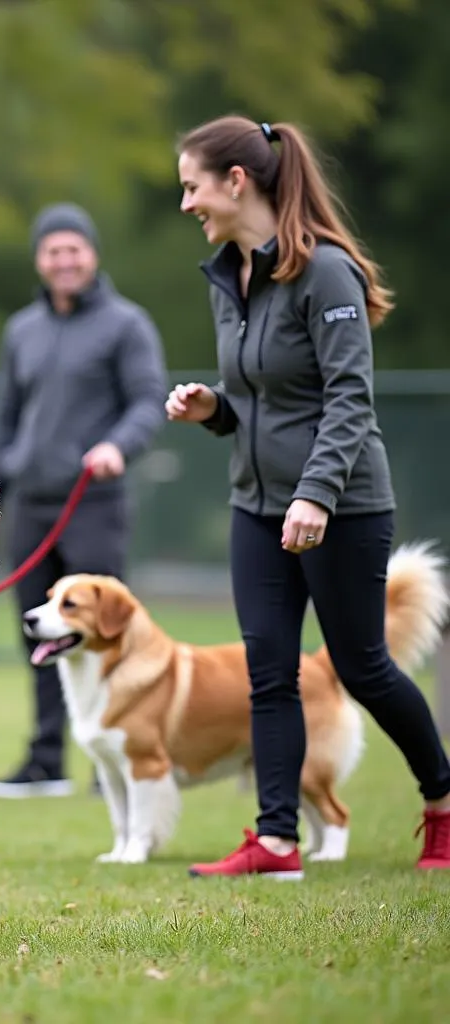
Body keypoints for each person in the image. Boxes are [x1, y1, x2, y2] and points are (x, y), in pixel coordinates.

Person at [168, 115, 450, 876]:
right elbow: (262, 400)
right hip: (256, 506)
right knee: (270, 672)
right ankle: (277, 841)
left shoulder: (326, 272)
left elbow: (349, 399)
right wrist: (214, 411)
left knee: (361, 668)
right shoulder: (230, 273)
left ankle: (443, 803)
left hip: (343, 505)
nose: (187, 203)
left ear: (236, 181)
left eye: (193, 186)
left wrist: (318, 495)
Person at [0, 202, 168, 799]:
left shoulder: (126, 325)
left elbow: (148, 400)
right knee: (41, 631)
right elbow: (6, 415)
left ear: (92, 255)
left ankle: (115, 760)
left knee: (104, 632)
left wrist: (117, 445)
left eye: (74, 250)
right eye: (53, 251)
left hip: (94, 501)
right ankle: (46, 761)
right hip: (30, 501)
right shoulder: (22, 330)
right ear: (40, 259)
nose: (65, 260)